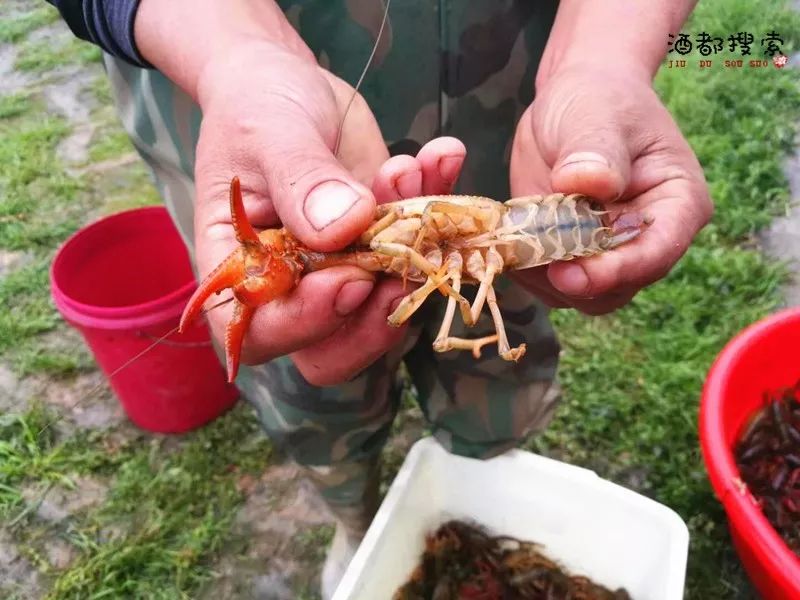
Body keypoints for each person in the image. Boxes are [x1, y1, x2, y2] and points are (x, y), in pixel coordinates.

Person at [49, 1, 712, 597]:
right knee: (310, 376)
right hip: (238, 109)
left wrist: (600, 57)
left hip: (519, 157)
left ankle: (488, 471)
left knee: (498, 361)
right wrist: (239, 55)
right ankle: (356, 520)